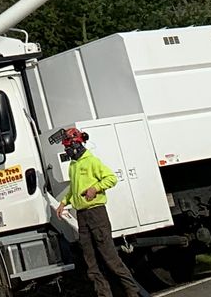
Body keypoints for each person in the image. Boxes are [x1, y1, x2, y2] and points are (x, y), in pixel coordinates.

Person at [52, 127, 150, 297]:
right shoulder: (73, 166)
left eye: (68, 147)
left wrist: (95, 189)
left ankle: (132, 292)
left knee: (110, 258)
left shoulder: (92, 161)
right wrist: (63, 203)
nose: (67, 151)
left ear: (77, 144)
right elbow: (74, 189)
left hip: (97, 214)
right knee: (91, 263)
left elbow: (111, 178)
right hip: (82, 216)